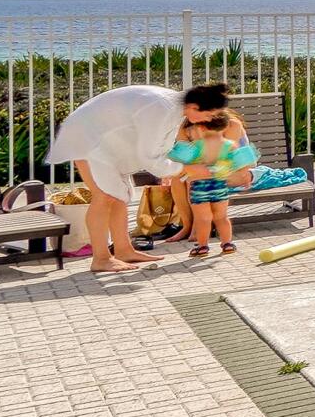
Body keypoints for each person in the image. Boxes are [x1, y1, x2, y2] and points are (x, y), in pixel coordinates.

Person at [43, 83, 220, 274]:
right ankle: (101, 259)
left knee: (118, 196)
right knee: (103, 196)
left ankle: (124, 250)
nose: (209, 120)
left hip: (107, 144)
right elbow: (150, 158)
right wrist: (185, 169)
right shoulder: (162, 108)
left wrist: (178, 168)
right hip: (89, 140)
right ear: (194, 107)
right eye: (209, 115)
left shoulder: (173, 108)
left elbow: (160, 148)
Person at [167, 83, 259, 255]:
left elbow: (180, 157)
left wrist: (198, 169)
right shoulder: (191, 127)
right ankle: (225, 242)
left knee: (201, 210)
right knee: (221, 215)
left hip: (221, 175)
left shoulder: (230, 125)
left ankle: (200, 239)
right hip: (219, 182)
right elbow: (243, 157)